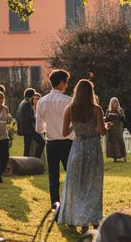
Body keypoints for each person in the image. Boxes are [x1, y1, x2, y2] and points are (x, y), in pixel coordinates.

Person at [58, 79, 107, 232]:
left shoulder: (70, 109)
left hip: (77, 148)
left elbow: (64, 133)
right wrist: (106, 126)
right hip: (93, 147)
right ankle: (93, 221)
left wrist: (75, 124)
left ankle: (81, 222)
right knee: (93, 185)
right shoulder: (96, 109)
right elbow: (101, 131)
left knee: (77, 185)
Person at [36, 69, 74, 206]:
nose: (67, 85)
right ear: (61, 82)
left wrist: (50, 127)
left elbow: (38, 129)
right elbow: (74, 124)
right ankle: (70, 207)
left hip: (51, 144)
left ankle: (55, 208)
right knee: (71, 177)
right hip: (68, 143)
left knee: (53, 179)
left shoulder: (41, 101)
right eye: (66, 82)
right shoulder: (69, 101)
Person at [17, 87, 44, 158]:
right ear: (32, 95)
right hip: (29, 129)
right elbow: (29, 118)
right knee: (42, 142)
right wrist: (38, 118)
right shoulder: (28, 104)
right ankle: (36, 159)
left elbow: (17, 117)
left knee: (27, 148)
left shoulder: (21, 103)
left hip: (24, 129)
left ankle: (26, 163)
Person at [104, 97, 126, 162]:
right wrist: (108, 117)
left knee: (120, 142)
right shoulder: (108, 110)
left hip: (118, 129)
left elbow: (124, 119)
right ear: (111, 103)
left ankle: (124, 158)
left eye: (116, 102)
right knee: (112, 143)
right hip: (111, 129)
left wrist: (119, 114)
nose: (115, 103)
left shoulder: (120, 110)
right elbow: (106, 120)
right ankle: (115, 158)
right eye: (114, 102)